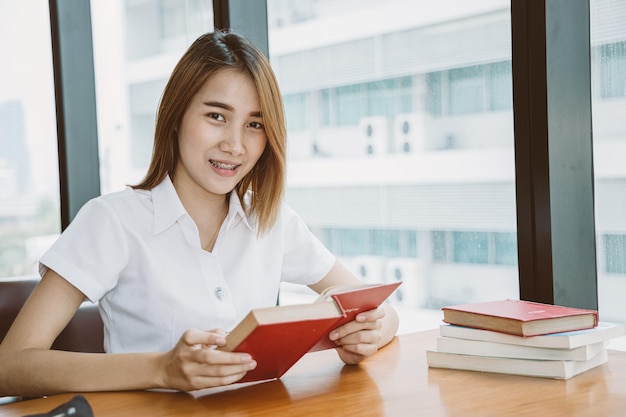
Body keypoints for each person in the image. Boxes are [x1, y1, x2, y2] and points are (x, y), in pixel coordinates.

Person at [0, 30, 399, 397]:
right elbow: (10, 365)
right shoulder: (112, 221)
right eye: (216, 116)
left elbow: (378, 310)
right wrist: (162, 369)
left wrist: (373, 332)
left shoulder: (271, 220)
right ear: (176, 117)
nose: (235, 145)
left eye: (255, 124)